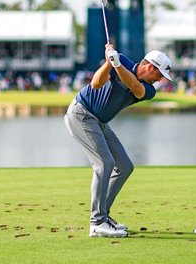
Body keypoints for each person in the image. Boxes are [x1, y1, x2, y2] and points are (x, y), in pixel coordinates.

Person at [64, 43, 172, 238]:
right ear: (150, 67)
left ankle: (103, 216)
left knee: (124, 166)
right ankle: (97, 223)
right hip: (81, 114)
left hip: (100, 122)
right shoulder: (118, 59)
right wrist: (108, 63)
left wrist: (117, 65)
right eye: (159, 75)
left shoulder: (149, 89)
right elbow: (96, 83)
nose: (159, 80)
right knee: (104, 163)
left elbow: (136, 88)